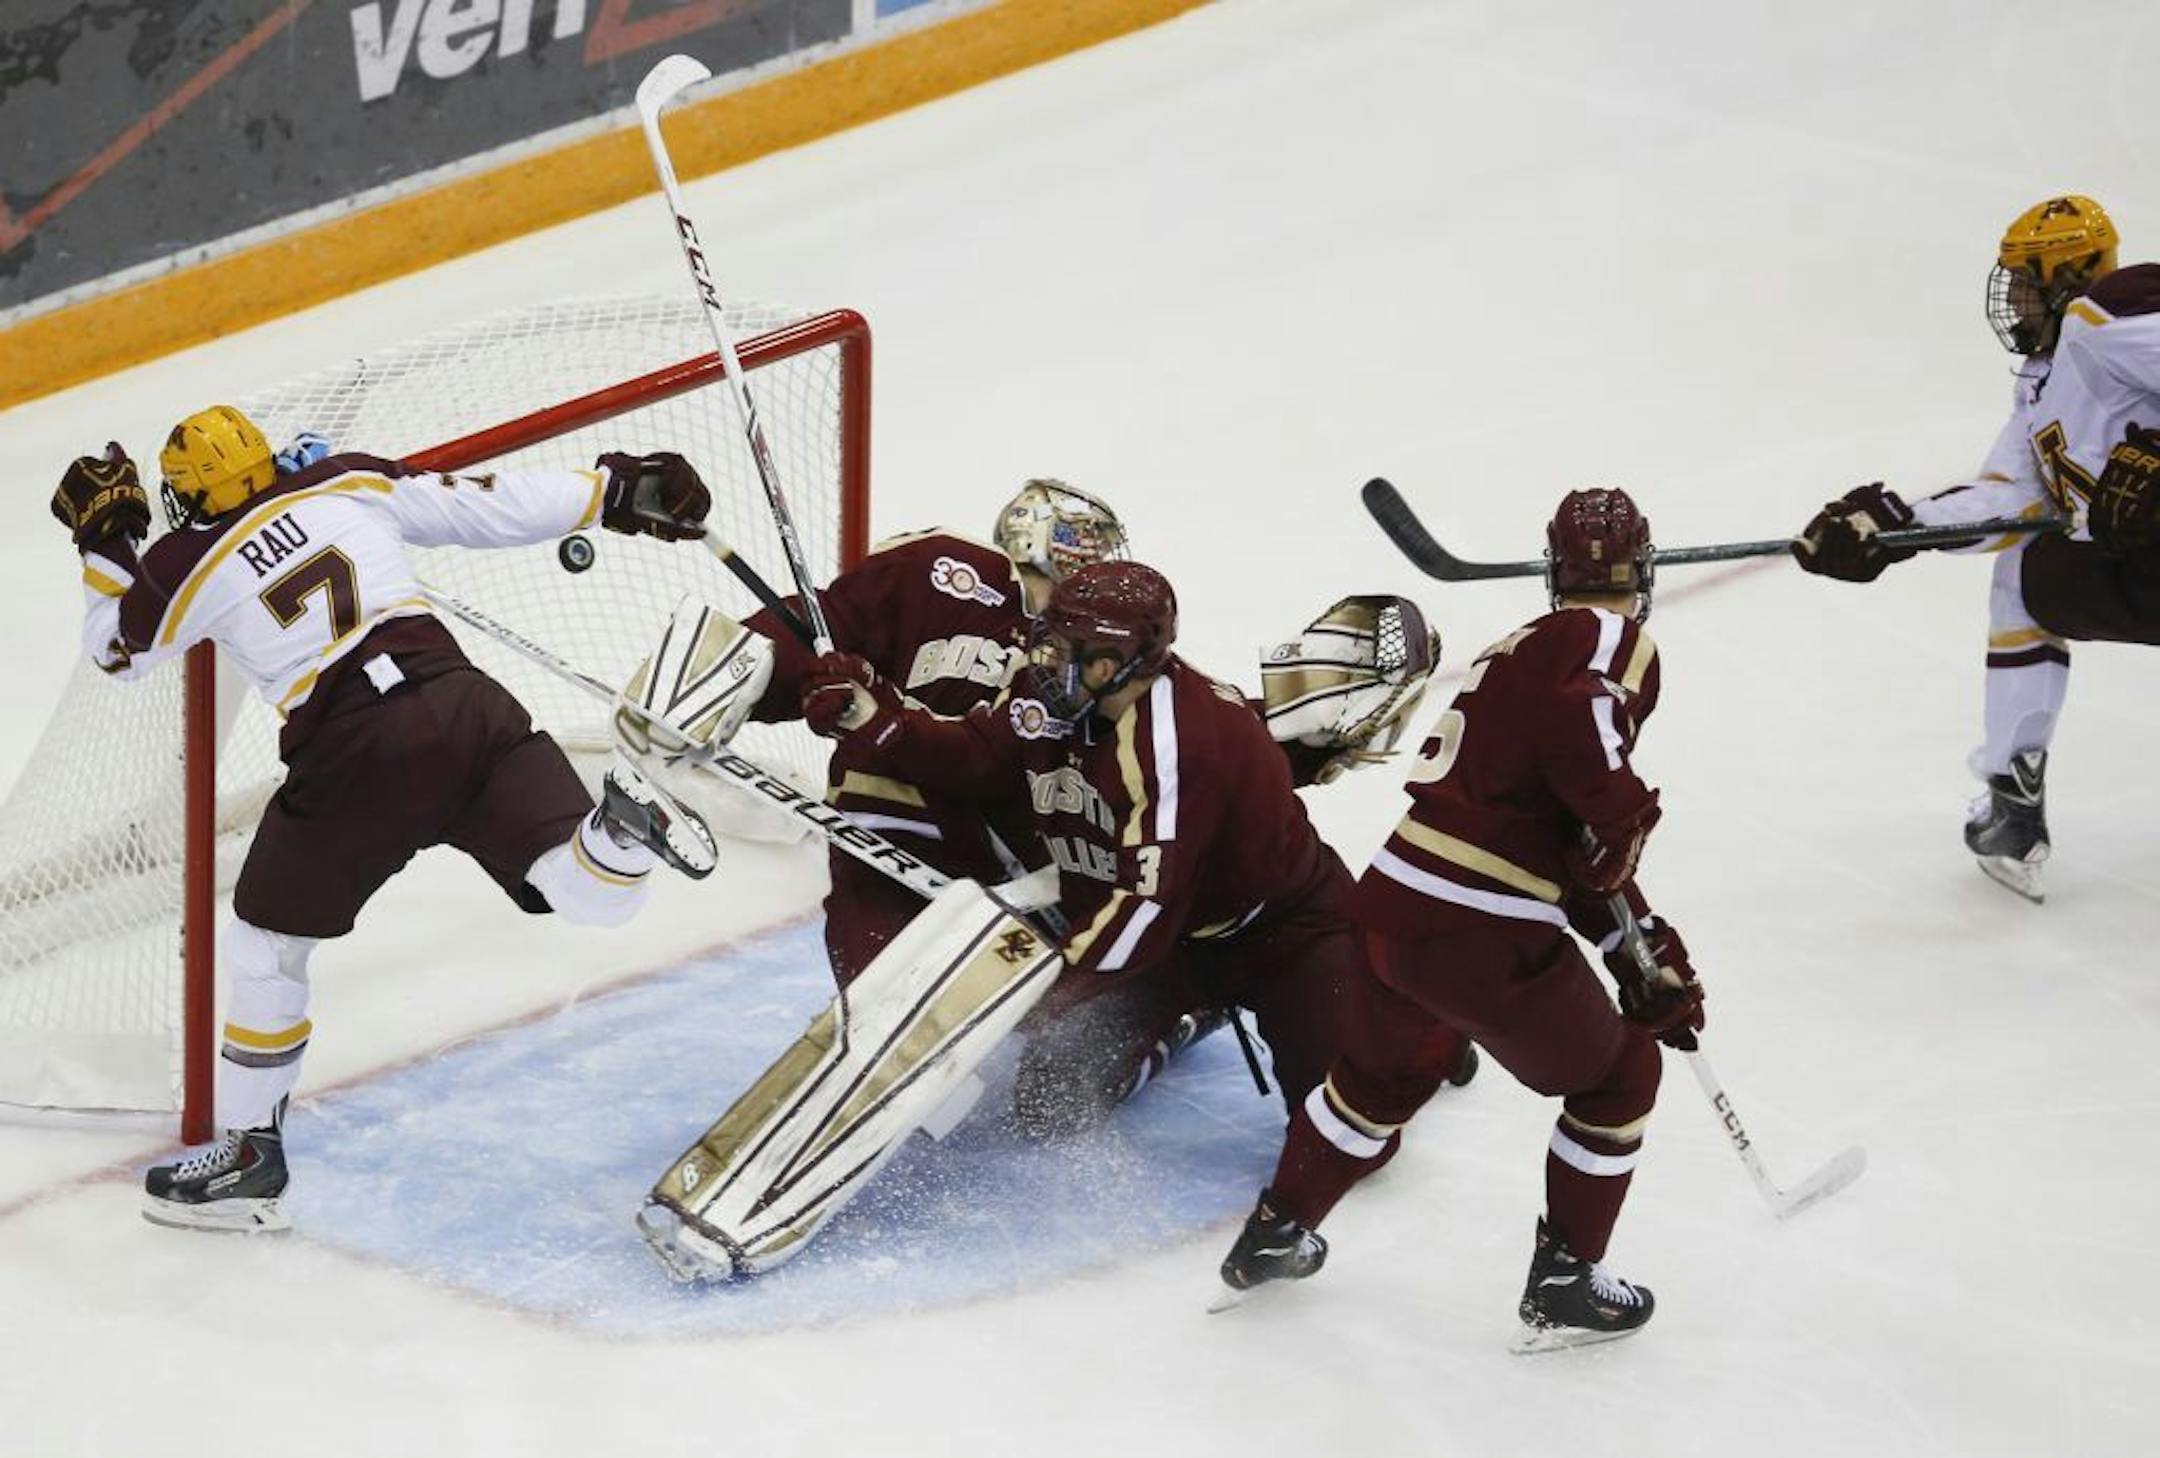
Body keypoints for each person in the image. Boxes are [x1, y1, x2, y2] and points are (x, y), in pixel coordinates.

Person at [50, 406, 720, 1232]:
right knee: (582, 889)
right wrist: (614, 492)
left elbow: (116, 650)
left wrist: (107, 541)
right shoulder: (346, 479)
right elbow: (488, 503)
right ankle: (616, 834)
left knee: (266, 945)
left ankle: (254, 1161)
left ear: (189, 496)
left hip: (356, 751)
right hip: (463, 701)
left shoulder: (184, 559)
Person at [1214, 489, 1704, 1353]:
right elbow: (1586, 757)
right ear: (1646, 571)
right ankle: (1563, 1283)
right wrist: (1624, 821)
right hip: (1480, 926)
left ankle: (1277, 1232)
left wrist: (1633, 935)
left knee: (1374, 1083)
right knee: (1619, 1081)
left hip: (1392, 902)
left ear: (1556, 568)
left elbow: (1555, 831)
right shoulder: (1603, 638)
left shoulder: (1518, 648)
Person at [797, 560, 1475, 1135]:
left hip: (1281, 938)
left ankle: (1424, 1017)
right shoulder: (1053, 694)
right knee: (1049, 1108)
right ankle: (1193, 1010)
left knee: (1342, 1127)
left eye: (1072, 651)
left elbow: (1141, 911)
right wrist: (872, 717)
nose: (1048, 661)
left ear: (1122, 664)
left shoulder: (1181, 749)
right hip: (1173, 942)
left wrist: (1040, 994)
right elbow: (976, 757)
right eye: (1051, 642)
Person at [1791, 195, 2160, 902]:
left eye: (2026, 281)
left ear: (2067, 278)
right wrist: (1895, 527)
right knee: (2027, 575)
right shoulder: (2041, 388)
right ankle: (2013, 801)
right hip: (2146, 569)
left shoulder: (2104, 320)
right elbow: (2012, 499)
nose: (2014, 299)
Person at [741, 480, 1129, 986]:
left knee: (1056, 1031)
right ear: (1032, 531)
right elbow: (834, 618)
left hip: (1018, 864)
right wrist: (743, 663)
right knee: (877, 995)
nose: (1098, 555)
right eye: (1084, 536)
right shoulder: (945, 570)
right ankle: (874, 1015)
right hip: (892, 830)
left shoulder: (1096, 645)